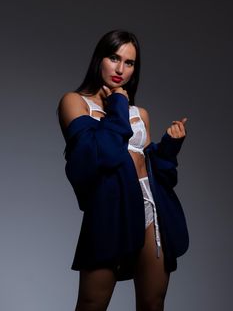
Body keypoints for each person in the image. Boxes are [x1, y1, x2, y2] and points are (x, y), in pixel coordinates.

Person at [57, 29, 188, 311]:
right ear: (99, 59)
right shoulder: (74, 102)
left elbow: (159, 173)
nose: (120, 69)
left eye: (129, 63)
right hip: (110, 210)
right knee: (92, 303)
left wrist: (169, 147)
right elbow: (103, 155)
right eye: (114, 58)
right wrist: (118, 101)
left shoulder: (141, 114)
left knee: (153, 303)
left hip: (151, 208)